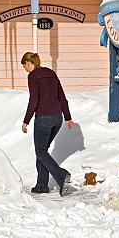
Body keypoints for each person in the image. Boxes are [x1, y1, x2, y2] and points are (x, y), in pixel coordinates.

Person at [20, 52, 75, 195]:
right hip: (57, 118)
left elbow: (34, 101)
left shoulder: (33, 76)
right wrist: (68, 118)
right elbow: (62, 98)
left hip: (43, 118)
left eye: (24, 66)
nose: (25, 69)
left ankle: (61, 175)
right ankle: (41, 185)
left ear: (28, 62)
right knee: (43, 150)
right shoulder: (51, 73)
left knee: (40, 150)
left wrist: (26, 121)